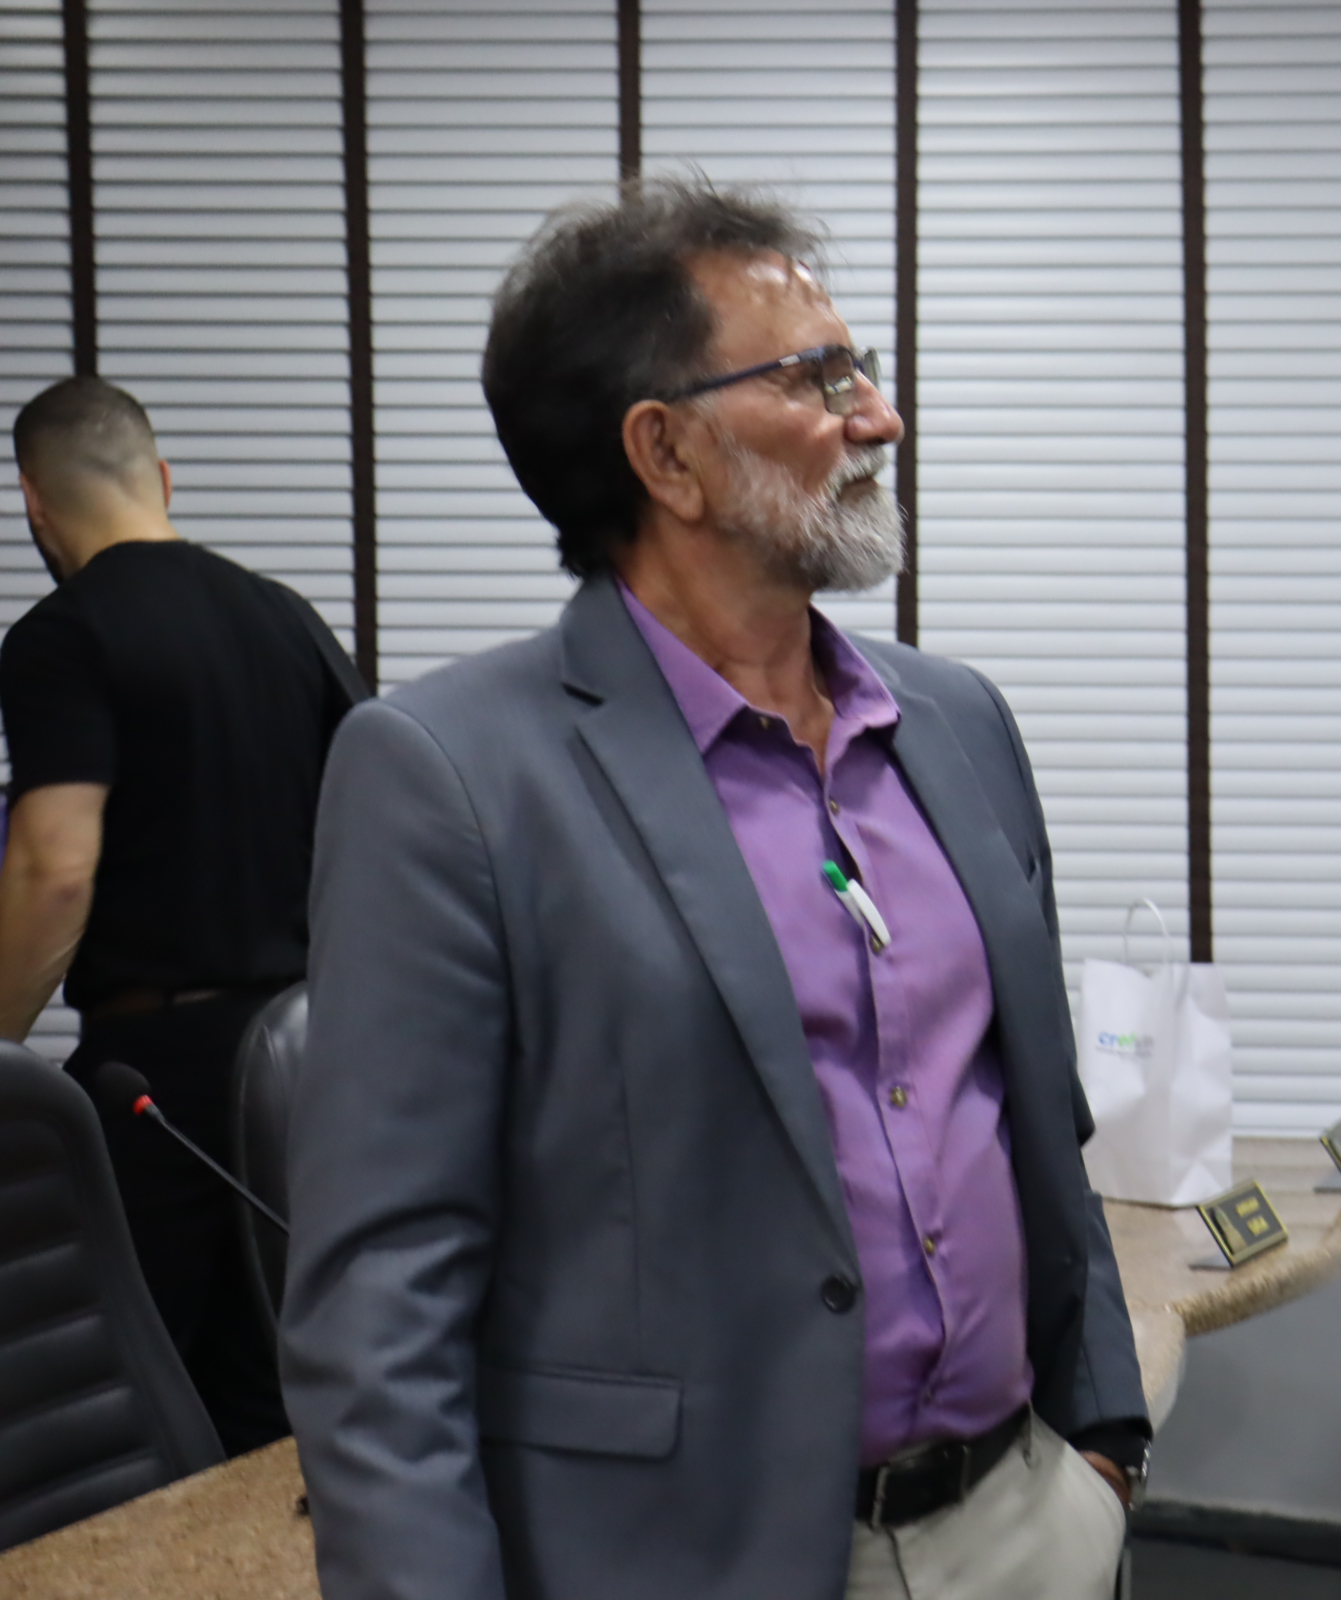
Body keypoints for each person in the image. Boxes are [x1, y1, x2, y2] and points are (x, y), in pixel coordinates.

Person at [279, 180, 1150, 1600]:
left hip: (1026, 1520)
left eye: (863, 368)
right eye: (820, 378)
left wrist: (1105, 1443)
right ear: (667, 452)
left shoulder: (956, 724)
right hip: (682, 1556)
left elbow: (1038, 1112)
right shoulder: (448, 776)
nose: (879, 418)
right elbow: (382, 1301)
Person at [0, 375, 364, 1455]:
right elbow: (380, 829)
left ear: (35, 505)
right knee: (278, 1394)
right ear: (161, 478)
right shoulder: (288, 617)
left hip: (158, 1080)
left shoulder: (62, 637)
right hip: (307, 1062)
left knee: (130, 1397)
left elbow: (55, 870)